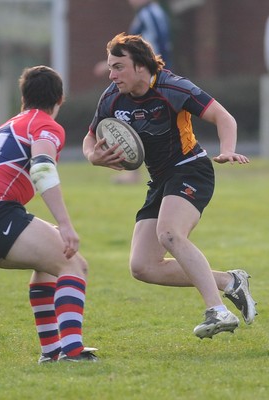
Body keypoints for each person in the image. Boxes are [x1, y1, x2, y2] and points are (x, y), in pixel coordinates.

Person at [83, 33, 257, 339]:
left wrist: (227, 148)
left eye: (118, 67)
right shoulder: (112, 96)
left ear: (140, 66)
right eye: (110, 67)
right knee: (142, 266)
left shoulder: (172, 87)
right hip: (160, 178)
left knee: (169, 234)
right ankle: (230, 282)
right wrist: (92, 156)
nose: (111, 74)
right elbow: (90, 135)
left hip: (191, 169)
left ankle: (217, 310)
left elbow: (223, 116)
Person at [0, 65, 97, 362]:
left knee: (46, 266)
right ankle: (72, 352)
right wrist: (65, 224)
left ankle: (52, 351)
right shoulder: (44, 125)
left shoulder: (7, 125)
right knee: (74, 266)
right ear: (60, 99)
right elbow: (42, 168)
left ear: (24, 97)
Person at [94, 0, 172, 184]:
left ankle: (136, 171)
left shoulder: (149, 14)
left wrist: (113, 68)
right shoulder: (152, 12)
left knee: (137, 120)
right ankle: (138, 171)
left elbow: (148, 50)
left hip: (149, 79)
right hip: (149, 76)